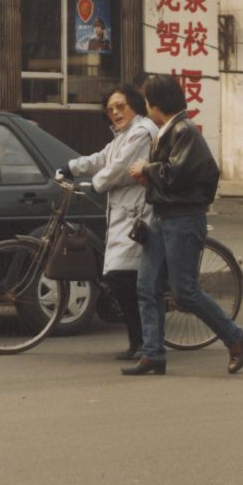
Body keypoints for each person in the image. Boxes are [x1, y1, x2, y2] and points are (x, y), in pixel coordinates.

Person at [124, 73, 243, 376]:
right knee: (146, 286)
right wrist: (150, 176)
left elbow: (177, 173)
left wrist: (147, 168)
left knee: (185, 292)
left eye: (146, 101)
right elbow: (172, 176)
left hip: (182, 219)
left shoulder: (185, 130)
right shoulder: (170, 130)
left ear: (156, 104)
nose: (145, 106)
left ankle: (235, 337)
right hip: (162, 217)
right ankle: (153, 352)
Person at [58, 84, 157, 359]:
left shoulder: (141, 132)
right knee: (125, 280)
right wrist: (72, 167)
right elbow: (103, 158)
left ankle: (144, 343)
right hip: (124, 211)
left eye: (120, 106)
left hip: (139, 212)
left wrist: (95, 184)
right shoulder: (122, 135)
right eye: (110, 109)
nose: (115, 112)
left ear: (134, 105)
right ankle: (139, 343)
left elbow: (119, 168)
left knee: (121, 277)